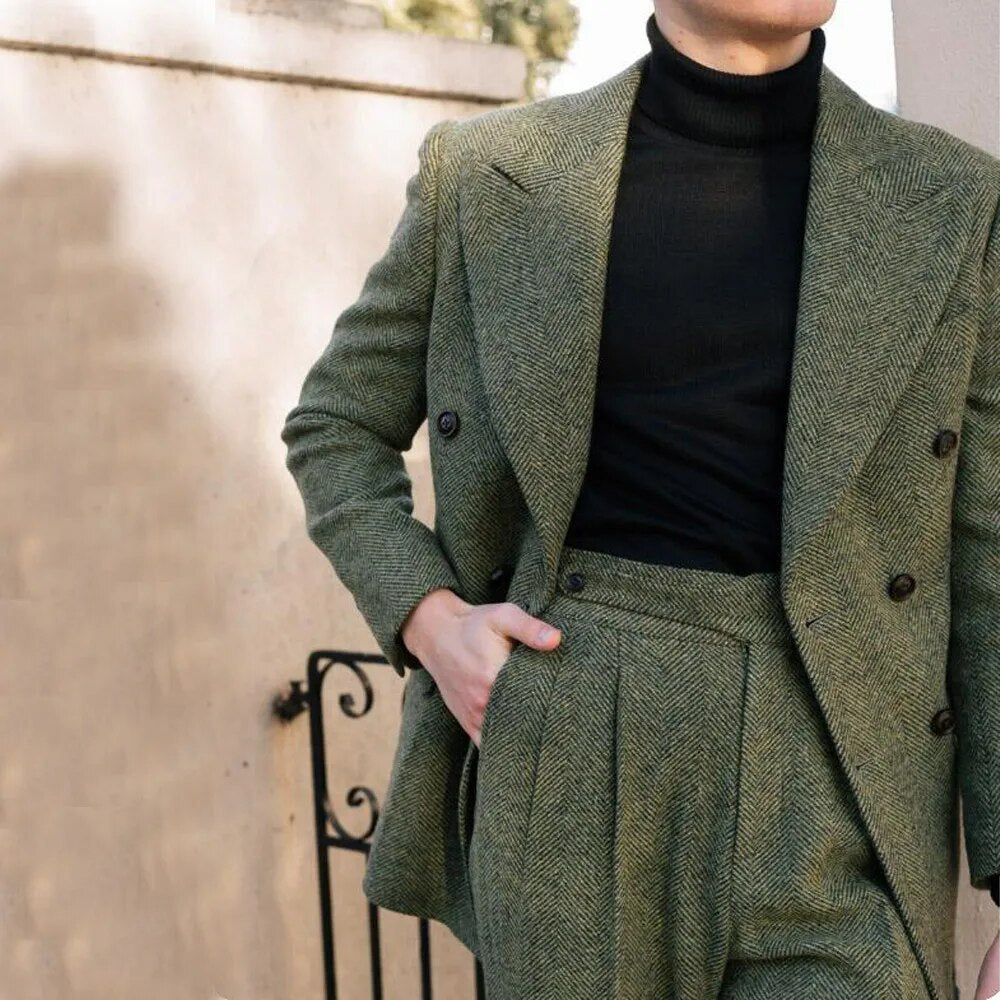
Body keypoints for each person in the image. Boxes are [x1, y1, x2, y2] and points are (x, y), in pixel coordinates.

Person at [281, 1, 1000, 997]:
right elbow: (335, 424)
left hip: (841, 755)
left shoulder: (952, 201)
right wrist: (431, 621)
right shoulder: (486, 175)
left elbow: (988, 543)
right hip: (574, 723)